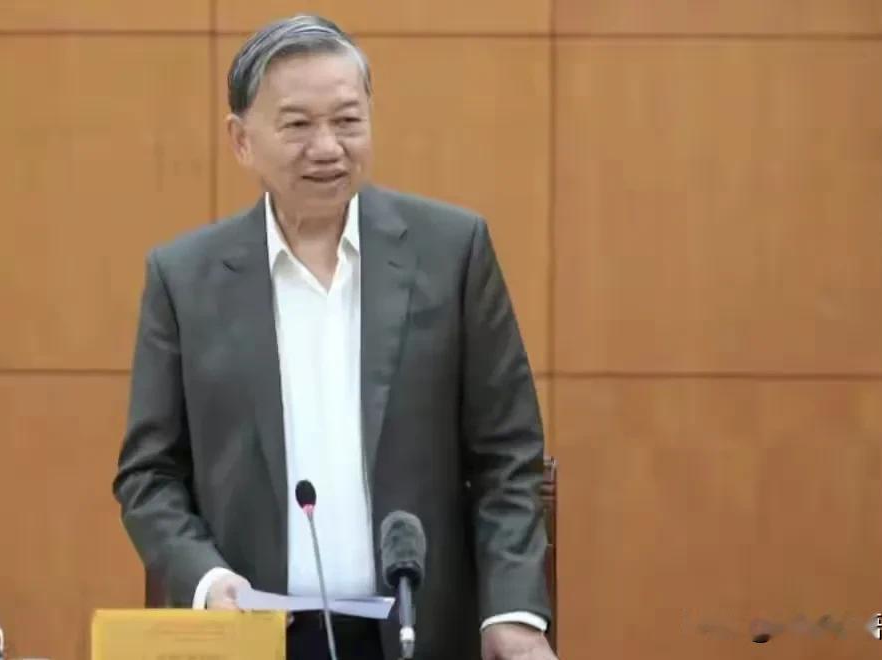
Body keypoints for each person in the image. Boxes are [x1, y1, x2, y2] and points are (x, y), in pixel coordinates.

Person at [113, 14, 556, 660]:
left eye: (348, 121)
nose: (327, 147)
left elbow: (508, 455)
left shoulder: (451, 253)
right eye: (297, 125)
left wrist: (513, 612)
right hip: (255, 638)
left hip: (419, 633)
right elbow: (148, 475)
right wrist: (206, 580)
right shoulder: (184, 279)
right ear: (241, 140)